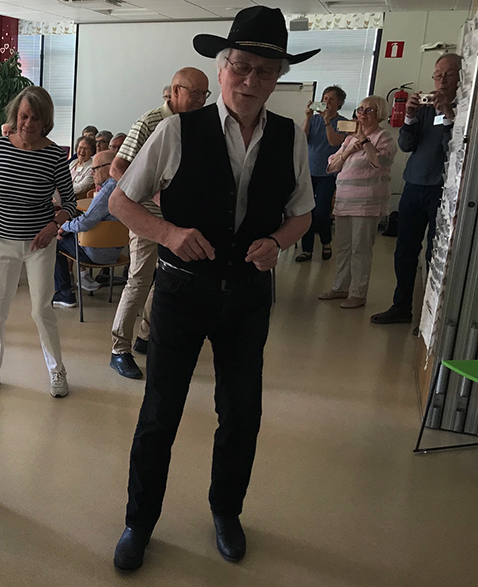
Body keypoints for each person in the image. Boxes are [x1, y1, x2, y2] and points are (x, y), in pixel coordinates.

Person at [108, 6, 316, 571]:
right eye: (241, 67)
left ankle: (226, 511)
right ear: (222, 69)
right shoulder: (176, 131)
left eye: (264, 71)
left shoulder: (290, 138)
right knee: (160, 413)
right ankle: (139, 522)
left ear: (277, 78)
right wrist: (169, 233)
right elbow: (121, 200)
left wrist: (278, 241)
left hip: (248, 298)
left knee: (242, 414)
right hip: (182, 293)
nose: (250, 80)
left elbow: (302, 213)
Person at [108, 66, 210, 380]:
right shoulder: (150, 122)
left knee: (166, 279)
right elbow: (117, 168)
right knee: (139, 280)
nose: (200, 100)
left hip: (178, 222)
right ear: (175, 91)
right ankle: (119, 349)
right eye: (194, 93)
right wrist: (153, 196)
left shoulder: (198, 124)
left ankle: (145, 335)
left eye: (204, 94)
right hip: (146, 216)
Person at [0, 86, 78, 399]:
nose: (28, 123)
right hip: (2, 242)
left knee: (41, 310)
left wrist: (53, 225)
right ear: (15, 116)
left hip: (39, 245)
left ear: (45, 121)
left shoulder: (54, 156)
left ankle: (57, 371)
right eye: (23, 116)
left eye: (35, 118)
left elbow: (71, 203)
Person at [372, 53, 462, 325]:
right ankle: (401, 307)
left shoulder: (465, 109)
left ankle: (431, 315)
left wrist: (448, 116)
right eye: (437, 75)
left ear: (461, 76)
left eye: (448, 74)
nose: (441, 81)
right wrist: (410, 118)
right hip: (413, 185)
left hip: (442, 190)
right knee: (404, 251)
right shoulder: (425, 108)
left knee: (435, 253)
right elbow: (406, 145)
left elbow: (455, 152)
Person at [318, 96, 396, 309]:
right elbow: (332, 166)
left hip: (367, 202)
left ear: (379, 114)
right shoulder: (349, 138)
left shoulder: (383, 137)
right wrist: (350, 149)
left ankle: (358, 293)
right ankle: (340, 287)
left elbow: (379, 161)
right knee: (344, 247)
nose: (361, 113)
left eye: (368, 110)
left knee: (360, 249)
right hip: (344, 200)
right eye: (360, 109)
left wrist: (364, 140)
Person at [53, 150, 123, 307]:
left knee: (55, 242)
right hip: (116, 252)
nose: (92, 173)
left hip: (97, 253)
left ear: (109, 167)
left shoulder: (108, 190)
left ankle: (65, 294)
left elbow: (85, 222)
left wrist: (63, 226)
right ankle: (82, 275)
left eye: (95, 168)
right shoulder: (123, 185)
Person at [297, 85, 347, 263]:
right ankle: (307, 249)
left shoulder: (343, 122)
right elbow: (302, 139)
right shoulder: (314, 119)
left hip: (328, 174)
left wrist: (327, 121)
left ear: (339, 103)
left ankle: (326, 241)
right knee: (306, 210)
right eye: (325, 98)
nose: (327, 102)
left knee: (321, 211)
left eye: (331, 99)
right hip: (308, 172)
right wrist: (308, 118)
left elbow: (334, 142)